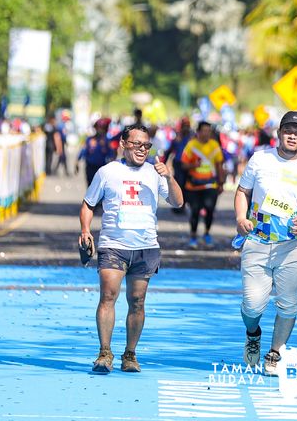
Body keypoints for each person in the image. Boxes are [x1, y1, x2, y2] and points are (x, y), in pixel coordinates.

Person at [79, 124, 183, 373]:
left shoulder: (155, 173)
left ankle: (130, 354)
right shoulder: (107, 172)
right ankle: (104, 353)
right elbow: (88, 204)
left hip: (146, 247)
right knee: (108, 296)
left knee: (137, 301)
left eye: (146, 145)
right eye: (136, 144)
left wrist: (169, 177)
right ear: (123, 144)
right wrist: (85, 230)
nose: (142, 149)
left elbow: (178, 202)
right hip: (113, 245)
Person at [235, 111, 297, 376]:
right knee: (252, 305)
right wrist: (241, 218)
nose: (292, 136)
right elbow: (242, 192)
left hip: (292, 246)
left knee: (288, 304)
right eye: (288, 131)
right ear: (279, 133)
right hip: (257, 241)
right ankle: (253, 333)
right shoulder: (260, 159)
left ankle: (275, 352)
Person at [181, 121, 225, 249]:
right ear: (198, 132)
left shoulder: (214, 145)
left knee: (210, 209)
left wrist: (221, 182)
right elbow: (183, 165)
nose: (206, 134)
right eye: (204, 131)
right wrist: (193, 165)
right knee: (195, 211)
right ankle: (193, 236)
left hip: (210, 184)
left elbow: (219, 165)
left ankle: (207, 233)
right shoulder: (191, 145)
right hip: (193, 185)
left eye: (208, 131)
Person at [163, 117, 193, 214]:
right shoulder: (177, 137)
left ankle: (186, 204)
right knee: (179, 183)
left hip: (189, 165)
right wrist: (164, 163)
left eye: (187, 126)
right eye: (184, 125)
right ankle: (179, 205)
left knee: (188, 185)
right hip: (179, 164)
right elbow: (169, 151)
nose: (186, 128)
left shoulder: (192, 137)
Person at [76, 118, 115, 186]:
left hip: (101, 168)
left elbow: (111, 154)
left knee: (100, 187)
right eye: (98, 127)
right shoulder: (89, 139)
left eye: (102, 128)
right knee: (90, 186)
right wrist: (77, 161)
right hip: (90, 167)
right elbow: (83, 151)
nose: (100, 130)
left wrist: (112, 165)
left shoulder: (107, 141)